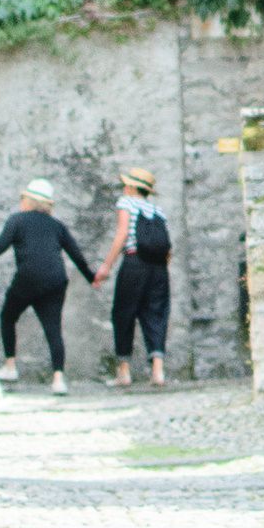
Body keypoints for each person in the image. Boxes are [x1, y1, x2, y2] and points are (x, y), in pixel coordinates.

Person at [0, 178, 94, 388]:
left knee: (8, 317)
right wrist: (92, 278)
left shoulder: (17, 220)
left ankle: (10, 367)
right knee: (53, 328)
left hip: (28, 278)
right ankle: (59, 380)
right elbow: (76, 255)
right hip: (56, 280)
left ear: (27, 200)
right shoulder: (57, 226)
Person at [92, 164, 173, 388]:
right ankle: (158, 371)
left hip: (134, 262)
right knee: (156, 313)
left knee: (124, 312)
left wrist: (107, 265)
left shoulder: (126, 203)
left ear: (130, 187)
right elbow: (168, 249)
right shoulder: (158, 210)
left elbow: (122, 234)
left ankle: (124, 372)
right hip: (158, 268)